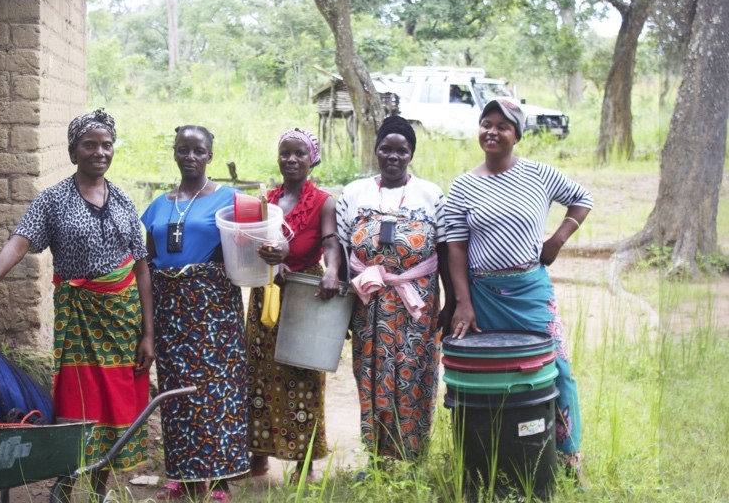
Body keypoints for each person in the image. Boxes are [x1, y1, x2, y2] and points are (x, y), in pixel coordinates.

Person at [0, 108, 155, 494]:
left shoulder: (122, 199)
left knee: (114, 404)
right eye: (90, 145)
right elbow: (16, 246)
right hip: (80, 322)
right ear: (74, 152)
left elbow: (141, 269)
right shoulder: (53, 201)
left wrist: (148, 334)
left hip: (123, 322)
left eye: (107, 145)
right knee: (79, 404)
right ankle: (65, 489)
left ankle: (100, 491)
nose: (99, 152)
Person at [443, 97, 592, 484]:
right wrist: (463, 303)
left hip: (530, 291)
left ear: (517, 135)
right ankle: (499, 454)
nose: (492, 131)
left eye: (502, 125)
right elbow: (455, 247)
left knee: (557, 369)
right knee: (490, 375)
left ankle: (568, 455)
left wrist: (557, 240)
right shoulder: (462, 186)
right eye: (485, 123)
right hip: (483, 295)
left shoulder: (539, 175)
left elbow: (582, 199)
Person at [335, 115, 453, 464]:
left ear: (411, 154)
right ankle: (376, 458)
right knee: (370, 374)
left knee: (415, 374)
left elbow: (445, 253)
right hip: (367, 305)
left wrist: (450, 303)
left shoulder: (430, 194)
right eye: (386, 148)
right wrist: (340, 311)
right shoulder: (353, 194)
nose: (393, 156)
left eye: (401, 150)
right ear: (376, 151)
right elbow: (342, 255)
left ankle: (412, 458)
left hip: (417, 306)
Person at [141, 125, 249, 502]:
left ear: (210, 156)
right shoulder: (158, 204)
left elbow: (265, 240)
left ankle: (219, 480)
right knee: (175, 391)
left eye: (198, 150)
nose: (190, 156)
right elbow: (144, 259)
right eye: (183, 149)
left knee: (217, 391)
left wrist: (275, 251)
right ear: (174, 152)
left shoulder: (231, 199)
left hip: (214, 310)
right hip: (170, 309)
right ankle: (183, 478)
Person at [244, 128, 342, 483]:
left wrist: (332, 270)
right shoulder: (266, 201)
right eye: (285, 153)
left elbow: (331, 241)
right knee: (259, 373)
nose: (291, 160)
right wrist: (267, 261)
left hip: (305, 292)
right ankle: (258, 456)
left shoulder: (323, 201)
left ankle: (305, 462)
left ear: (311, 158)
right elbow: (249, 243)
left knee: (304, 373)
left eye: (299, 153)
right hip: (266, 292)